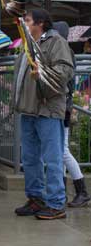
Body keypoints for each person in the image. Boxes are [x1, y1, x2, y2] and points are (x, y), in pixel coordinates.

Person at [13, 9, 73, 220]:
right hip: (28, 109)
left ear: (40, 23)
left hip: (47, 109)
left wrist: (43, 72)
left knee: (52, 158)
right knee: (30, 159)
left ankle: (56, 204)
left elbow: (65, 71)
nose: (24, 24)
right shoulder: (27, 45)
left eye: (27, 20)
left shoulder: (56, 42)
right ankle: (36, 199)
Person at [51, 22, 90, 208]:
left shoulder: (65, 52)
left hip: (62, 107)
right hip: (62, 107)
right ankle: (64, 190)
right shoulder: (64, 51)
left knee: (63, 151)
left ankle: (81, 191)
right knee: (61, 151)